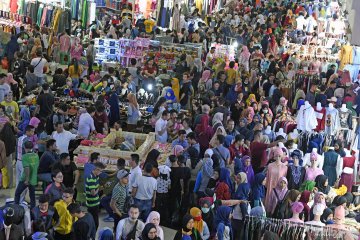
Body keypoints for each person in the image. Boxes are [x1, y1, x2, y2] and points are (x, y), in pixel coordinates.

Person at [14, 141, 39, 209]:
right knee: (32, 195)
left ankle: (16, 208)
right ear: (32, 147)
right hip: (33, 179)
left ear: (25, 147)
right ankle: (33, 209)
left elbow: (27, 168)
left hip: (25, 179)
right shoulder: (36, 155)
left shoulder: (24, 156)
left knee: (17, 193)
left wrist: (27, 180)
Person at [85, 162, 106, 230]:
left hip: (95, 202)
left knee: (94, 221)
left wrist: (101, 188)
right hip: (92, 204)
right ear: (97, 169)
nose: (101, 173)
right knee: (95, 223)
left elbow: (96, 188)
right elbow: (93, 193)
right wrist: (99, 189)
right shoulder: (91, 178)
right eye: (101, 171)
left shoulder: (96, 176)